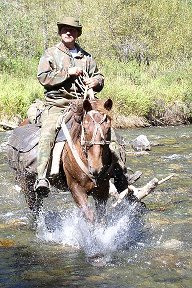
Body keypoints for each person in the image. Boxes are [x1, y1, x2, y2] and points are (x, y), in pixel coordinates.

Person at [34, 16, 140, 196]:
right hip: (59, 103)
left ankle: (120, 174)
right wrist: (68, 72)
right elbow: (43, 77)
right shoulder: (50, 54)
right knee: (48, 132)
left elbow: (100, 77)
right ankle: (42, 177)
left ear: (77, 34)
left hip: (87, 105)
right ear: (60, 32)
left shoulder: (87, 57)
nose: (69, 32)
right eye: (65, 29)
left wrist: (96, 81)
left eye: (73, 30)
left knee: (110, 134)